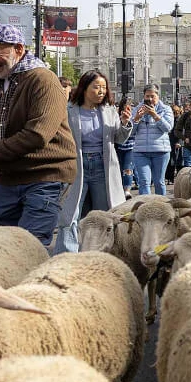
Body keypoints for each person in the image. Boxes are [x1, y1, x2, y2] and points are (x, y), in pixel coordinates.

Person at [0, 24, 76, 246]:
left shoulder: (43, 79)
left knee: (30, 245)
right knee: (2, 243)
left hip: (45, 175)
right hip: (9, 176)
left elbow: (37, 134)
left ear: (18, 48)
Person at [56, 70, 133, 254]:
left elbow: (119, 139)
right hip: (77, 166)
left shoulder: (109, 110)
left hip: (103, 166)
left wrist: (125, 123)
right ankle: (67, 255)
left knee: (104, 214)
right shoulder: (68, 110)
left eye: (104, 88)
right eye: (96, 87)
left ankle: (104, 253)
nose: (101, 91)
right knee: (70, 214)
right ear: (84, 88)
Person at [131, 85, 174, 196]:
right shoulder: (136, 109)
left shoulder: (166, 109)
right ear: (143, 96)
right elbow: (130, 132)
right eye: (147, 96)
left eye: (152, 96)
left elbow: (168, 128)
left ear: (158, 96)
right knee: (144, 181)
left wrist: (154, 115)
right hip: (141, 152)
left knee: (159, 182)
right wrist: (136, 118)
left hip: (161, 151)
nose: (150, 99)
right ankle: (146, 205)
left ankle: (161, 204)